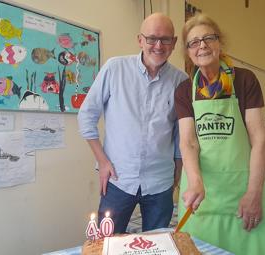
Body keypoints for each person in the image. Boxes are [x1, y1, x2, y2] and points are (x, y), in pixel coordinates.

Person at [174, 14, 265, 255]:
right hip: (203, 194)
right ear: (188, 52)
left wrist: (254, 194)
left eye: (208, 38)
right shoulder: (184, 90)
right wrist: (196, 181)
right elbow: (188, 142)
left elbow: (259, 139)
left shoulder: (244, 80)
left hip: (244, 190)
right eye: (194, 42)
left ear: (219, 43)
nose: (202, 45)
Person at [78, 12, 188, 234]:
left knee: (156, 246)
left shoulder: (181, 81)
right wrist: (102, 161)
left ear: (174, 43)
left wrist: (178, 170)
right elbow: (86, 115)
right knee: (106, 243)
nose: (158, 45)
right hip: (118, 179)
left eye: (166, 39)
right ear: (140, 40)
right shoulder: (114, 68)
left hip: (160, 183)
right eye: (151, 38)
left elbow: (179, 132)